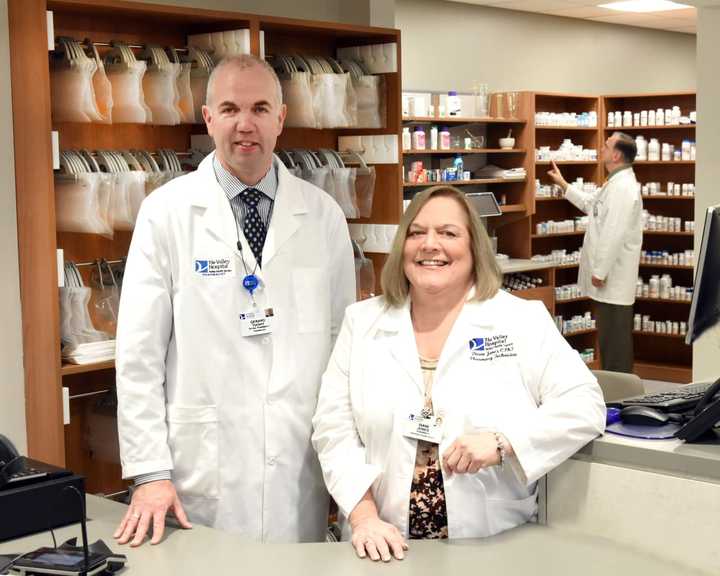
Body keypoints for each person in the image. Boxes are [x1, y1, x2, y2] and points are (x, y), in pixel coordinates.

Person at [113, 54, 356, 546]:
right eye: (229, 109)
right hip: (200, 467)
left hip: (296, 466)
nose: (246, 124)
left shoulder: (323, 215)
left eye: (261, 108)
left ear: (281, 118)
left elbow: (341, 353)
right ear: (208, 119)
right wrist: (149, 471)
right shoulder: (167, 213)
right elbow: (138, 355)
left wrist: (344, 464)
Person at [311, 185, 606, 562]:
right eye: (417, 232)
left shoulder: (518, 320)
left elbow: (585, 404)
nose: (430, 245)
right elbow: (332, 428)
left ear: (474, 248)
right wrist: (364, 515)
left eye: (448, 233)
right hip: (382, 547)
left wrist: (504, 442)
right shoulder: (363, 322)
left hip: (492, 544)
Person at [547, 132, 643, 373]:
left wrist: (599, 270)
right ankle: (617, 395)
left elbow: (613, 232)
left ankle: (622, 400)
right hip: (609, 283)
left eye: (606, 145)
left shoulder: (623, 188)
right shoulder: (615, 182)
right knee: (610, 342)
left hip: (613, 281)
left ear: (616, 154)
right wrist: (564, 185)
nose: (602, 148)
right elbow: (592, 205)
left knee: (616, 345)